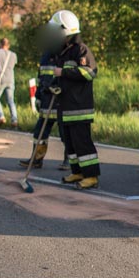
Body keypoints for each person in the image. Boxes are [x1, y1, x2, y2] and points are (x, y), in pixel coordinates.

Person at [46, 10, 100, 189]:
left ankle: (91, 176)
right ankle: (77, 172)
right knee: (70, 144)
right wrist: (52, 85)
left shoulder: (81, 50)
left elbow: (90, 72)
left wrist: (63, 72)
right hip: (65, 107)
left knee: (82, 144)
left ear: (65, 31)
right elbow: (60, 77)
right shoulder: (63, 52)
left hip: (79, 108)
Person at [18, 52, 69, 169]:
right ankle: (36, 159)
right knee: (39, 133)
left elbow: (70, 77)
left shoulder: (67, 55)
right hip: (46, 102)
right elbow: (41, 80)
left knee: (66, 134)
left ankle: (69, 160)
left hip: (61, 102)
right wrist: (38, 97)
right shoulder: (45, 57)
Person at [0, 37, 19, 128]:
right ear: (8, 45)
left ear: (0, 44)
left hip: (0, 79)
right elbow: (13, 66)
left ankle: (1, 117)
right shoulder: (13, 55)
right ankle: (14, 120)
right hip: (10, 79)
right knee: (11, 100)